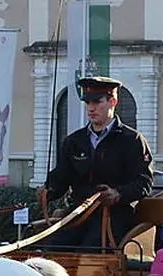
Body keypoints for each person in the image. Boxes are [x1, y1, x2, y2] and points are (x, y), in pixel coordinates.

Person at [37, 76, 153, 248]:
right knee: (52, 247)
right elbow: (62, 176)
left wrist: (118, 193)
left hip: (115, 214)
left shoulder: (132, 140)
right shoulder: (74, 141)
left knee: (93, 248)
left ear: (113, 101)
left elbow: (144, 183)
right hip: (79, 211)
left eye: (97, 102)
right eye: (88, 103)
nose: (91, 108)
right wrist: (48, 190)